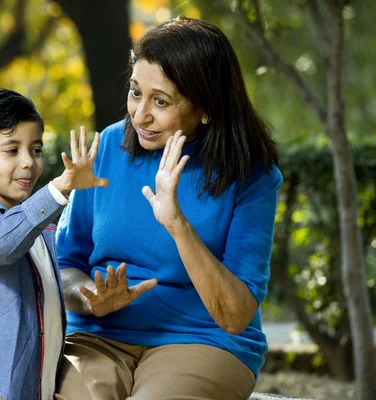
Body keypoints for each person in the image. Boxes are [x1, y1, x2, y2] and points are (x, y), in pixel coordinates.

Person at [55, 16, 282, 400]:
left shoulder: (250, 176)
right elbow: (63, 266)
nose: (139, 114)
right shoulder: (108, 147)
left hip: (203, 341)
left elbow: (234, 315)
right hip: (99, 337)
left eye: (160, 101)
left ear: (206, 107)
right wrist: (90, 297)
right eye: (135, 92)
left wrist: (177, 225)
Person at [0, 88, 108, 400]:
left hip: (34, 387)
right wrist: (58, 188)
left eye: (35, 149)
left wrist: (94, 298)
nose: (28, 163)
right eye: (11, 150)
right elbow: (0, 245)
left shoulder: (43, 229)